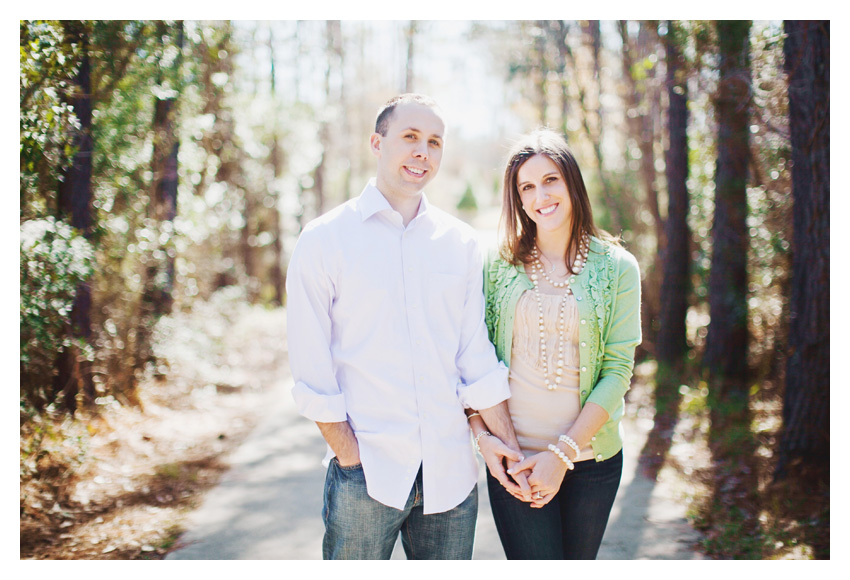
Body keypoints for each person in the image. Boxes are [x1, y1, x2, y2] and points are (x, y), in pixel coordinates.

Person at [286, 93, 528, 560]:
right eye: (410, 137)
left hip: (450, 477)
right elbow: (310, 363)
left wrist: (511, 453)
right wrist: (349, 455)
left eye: (435, 142)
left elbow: (473, 355)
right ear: (377, 143)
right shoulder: (324, 239)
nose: (423, 151)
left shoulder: (459, 242)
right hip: (367, 475)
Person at [466, 129, 642, 559]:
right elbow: (471, 358)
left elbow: (617, 370)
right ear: (518, 200)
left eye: (550, 180)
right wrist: (482, 437)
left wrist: (562, 455)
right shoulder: (495, 264)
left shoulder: (617, 267)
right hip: (514, 461)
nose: (540, 195)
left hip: (591, 462)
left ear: (571, 183)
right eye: (527, 186)